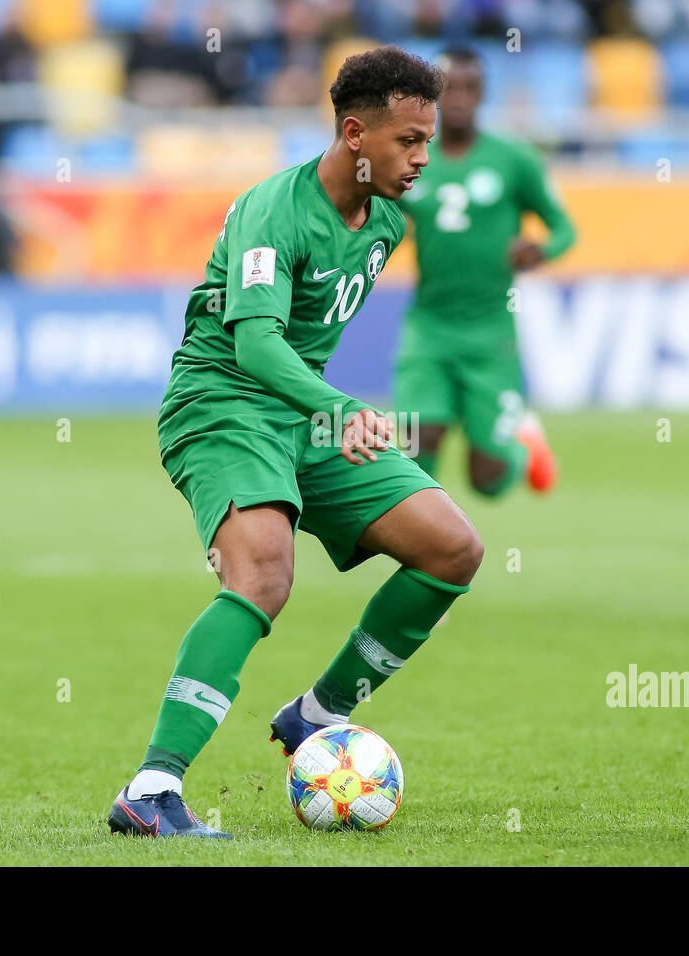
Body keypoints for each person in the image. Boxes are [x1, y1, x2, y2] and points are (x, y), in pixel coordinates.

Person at [108, 47, 483, 839]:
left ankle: (318, 714)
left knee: (452, 547)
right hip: (223, 403)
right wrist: (340, 407)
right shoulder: (272, 210)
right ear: (355, 134)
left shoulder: (385, 217)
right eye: (410, 140)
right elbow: (256, 346)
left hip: (303, 413)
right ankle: (152, 789)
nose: (423, 157)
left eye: (429, 139)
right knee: (264, 573)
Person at [395, 46, 577, 496]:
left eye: (469, 89)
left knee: (488, 481)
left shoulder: (514, 160)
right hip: (429, 326)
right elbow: (380, 220)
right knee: (420, 443)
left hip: (490, 333)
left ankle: (526, 445)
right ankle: (426, 546)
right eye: (447, 89)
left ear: (483, 94)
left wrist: (542, 249)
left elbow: (564, 229)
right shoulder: (407, 157)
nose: (458, 98)